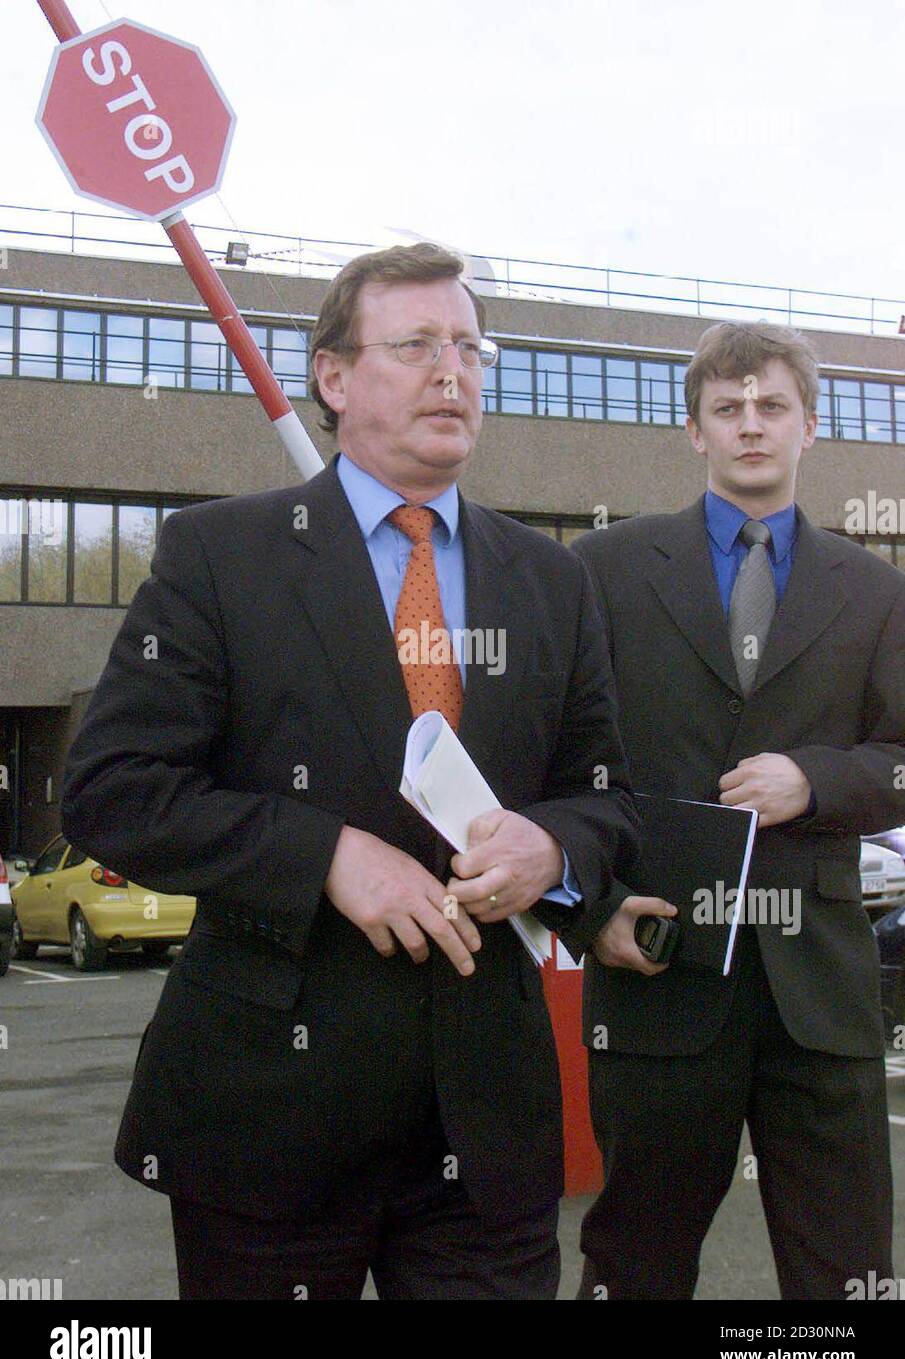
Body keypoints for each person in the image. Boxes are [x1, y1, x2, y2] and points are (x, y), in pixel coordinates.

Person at [60, 242, 639, 1301]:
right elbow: (110, 788)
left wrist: (554, 845)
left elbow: (609, 800)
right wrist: (324, 852)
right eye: (415, 344)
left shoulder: (552, 580)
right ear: (331, 378)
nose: (451, 370)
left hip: (483, 1123)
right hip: (270, 1116)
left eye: (469, 346)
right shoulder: (219, 556)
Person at [562, 320, 904, 1301]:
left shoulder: (876, 591)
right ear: (693, 430)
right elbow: (548, 763)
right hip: (657, 976)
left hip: (820, 999)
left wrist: (817, 780)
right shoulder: (605, 569)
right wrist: (587, 907)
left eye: (769, 406)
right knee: (631, 1267)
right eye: (727, 408)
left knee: (845, 1276)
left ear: (807, 425)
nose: (749, 425)